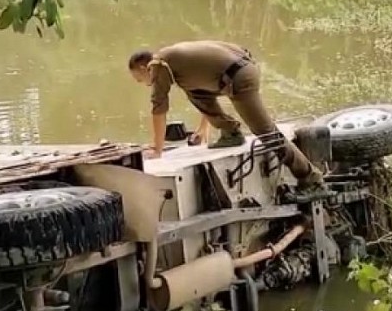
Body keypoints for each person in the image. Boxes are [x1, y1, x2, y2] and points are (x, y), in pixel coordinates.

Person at [128, 40, 329, 196]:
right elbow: (200, 85)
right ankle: (230, 132)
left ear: (145, 69)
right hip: (237, 67)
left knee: (266, 132)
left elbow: (159, 107)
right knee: (194, 92)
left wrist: (157, 149)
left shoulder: (159, 65)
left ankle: (310, 178)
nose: (143, 84)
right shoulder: (171, 57)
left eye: (139, 79)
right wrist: (203, 129)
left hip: (238, 77)